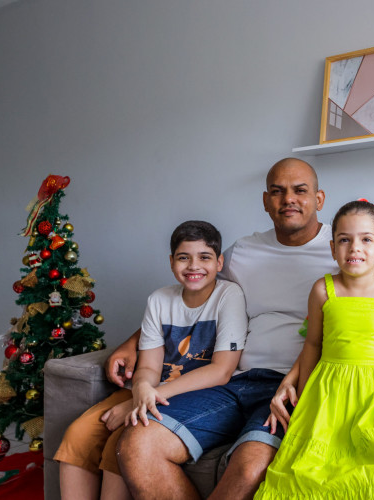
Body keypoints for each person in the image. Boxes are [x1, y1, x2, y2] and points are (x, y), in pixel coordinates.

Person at [112, 158, 337, 500]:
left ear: (319, 199)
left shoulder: (343, 250)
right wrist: (133, 343)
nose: (288, 198)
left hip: (295, 387)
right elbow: (193, 293)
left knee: (251, 467)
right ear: (265, 201)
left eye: (300, 190)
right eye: (277, 191)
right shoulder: (241, 253)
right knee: (138, 443)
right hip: (236, 382)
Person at [254, 200, 374, 498]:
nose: (355, 248)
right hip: (329, 395)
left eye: (366, 240)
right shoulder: (323, 289)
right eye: (345, 240)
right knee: (307, 476)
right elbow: (313, 345)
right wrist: (306, 402)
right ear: (333, 249)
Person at [54, 220, 248, 500]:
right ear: (171, 262)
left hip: (191, 394)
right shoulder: (159, 299)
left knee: (119, 442)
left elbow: (221, 371)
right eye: (184, 257)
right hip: (151, 389)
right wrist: (140, 390)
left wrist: (143, 399)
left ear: (219, 262)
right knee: (78, 434)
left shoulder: (228, 296)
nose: (194, 266)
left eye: (204, 257)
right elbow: (148, 366)